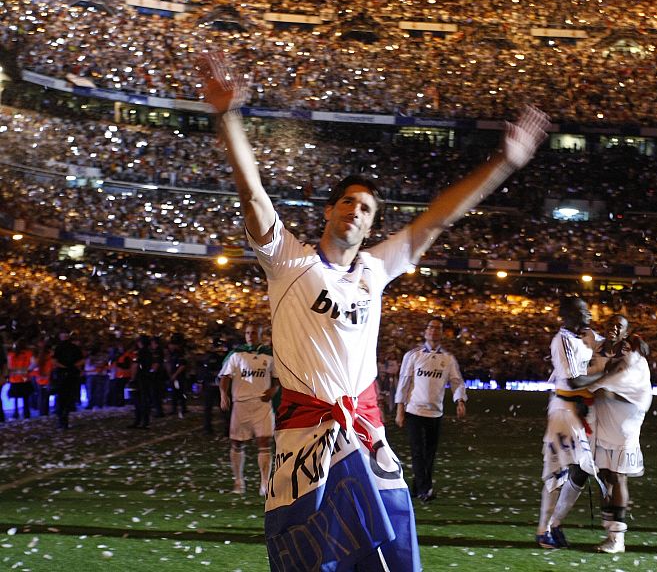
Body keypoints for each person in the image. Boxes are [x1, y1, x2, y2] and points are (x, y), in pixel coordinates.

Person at [199, 50, 549, 571]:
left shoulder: (375, 269)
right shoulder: (288, 260)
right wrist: (227, 115)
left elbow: (437, 219)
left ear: (369, 225)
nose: (355, 210)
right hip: (303, 437)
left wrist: (505, 162)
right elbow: (252, 195)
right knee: (310, 561)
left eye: (366, 208)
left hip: (366, 436)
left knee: (385, 561)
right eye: (347, 202)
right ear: (329, 210)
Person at [536, 296, 608, 549]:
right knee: (558, 471)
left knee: (581, 470)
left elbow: (611, 350)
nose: (588, 315)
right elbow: (574, 381)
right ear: (567, 316)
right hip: (564, 411)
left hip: (583, 411)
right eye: (582, 311)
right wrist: (605, 375)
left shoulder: (586, 336)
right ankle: (543, 529)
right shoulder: (562, 340)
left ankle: (554, 524)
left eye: (588, 310)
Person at [590, 314, 652, 554]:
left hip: (625, 418)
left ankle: (618, 538)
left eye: (620, 326)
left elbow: (617, 374)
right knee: (604, 474)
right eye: (611, 324)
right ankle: (610, 530)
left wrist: (592, 385)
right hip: (605, 419)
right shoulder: (601, 348)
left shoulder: (630, 352)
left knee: (618, 475)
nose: (614, 328)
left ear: (627, 332)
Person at [395, 318, 467, 502]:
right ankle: (425, 489)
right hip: (414, 411)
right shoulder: (413, 355)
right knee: (418, 451)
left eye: (438, 328)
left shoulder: (448, 359)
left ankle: (417, 486)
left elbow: (456, 381)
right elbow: (404, 382)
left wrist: (460, 400)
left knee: (429, 453)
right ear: (425, 331)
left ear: (442, 333)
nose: (434, 331)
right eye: (431, 327)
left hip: (435, 412)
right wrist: (400, 408)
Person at [218, 323, 279, 496]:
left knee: (264, 443)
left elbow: (277, 378)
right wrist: (224, 395)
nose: (250, 336)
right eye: (247, 333)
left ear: (260, 334)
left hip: (262, 405)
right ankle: (238, 482)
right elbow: (225, 376)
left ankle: (265, 484)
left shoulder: (269, 354)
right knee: (237, 443)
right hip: (241, 405)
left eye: (253, 333)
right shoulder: (236, 354)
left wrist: (273, 390)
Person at [51, 331, 84, 430]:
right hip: (72, 374)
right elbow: (81, 360)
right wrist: (73, 367)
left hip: (62, 374)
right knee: (69, 396)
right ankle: (66, 415)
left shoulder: (58, 348)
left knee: (61, 397)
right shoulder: (75, 348)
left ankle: (62, 419)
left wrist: (64, 367)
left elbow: (54, 361)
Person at [198, 336, 230, 436]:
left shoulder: (225, 357)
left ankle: (227, 429)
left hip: (220, 386)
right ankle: (208, 429)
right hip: (211, 385)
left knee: (224, 409)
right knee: (208, 409)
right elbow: (205, 371)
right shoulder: (210, 357)